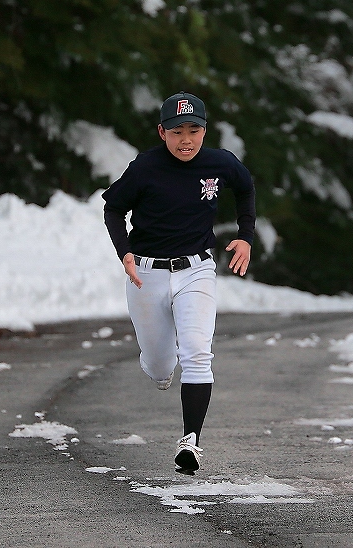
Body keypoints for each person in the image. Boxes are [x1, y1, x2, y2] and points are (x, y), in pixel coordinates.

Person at [101, 91, 256, 475]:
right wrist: (125, 253)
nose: (186, 139)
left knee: (197, 352)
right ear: (162, 132)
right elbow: (114, 207)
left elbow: (246, 187)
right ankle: (159, 368)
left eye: (194, 130)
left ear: (205, 130)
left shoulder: (220, 163)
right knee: (158, 363)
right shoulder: (144, 168)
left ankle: (191, 441)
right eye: (177, 131)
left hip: (196, 269)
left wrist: (246, 235)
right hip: (147, 275)